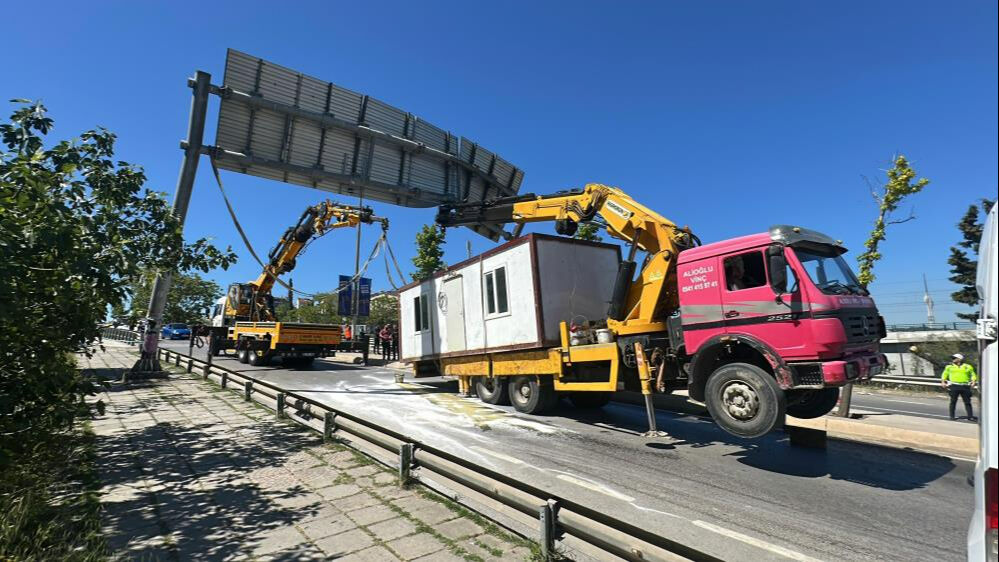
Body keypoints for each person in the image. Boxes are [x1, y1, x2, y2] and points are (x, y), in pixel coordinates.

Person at [941, 353, 978, 421]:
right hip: (954, 386)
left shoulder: (967, 366)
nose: (953, 359)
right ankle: (952, 416)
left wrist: (973, 381)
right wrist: (943, 382)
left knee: (967, 402)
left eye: (954, 358)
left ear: (960, 359)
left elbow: (973, 374)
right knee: (953, 401)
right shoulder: (949, 367)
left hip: (965, 386)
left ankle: (970, 416)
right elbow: (944, 374)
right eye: (952, 358)